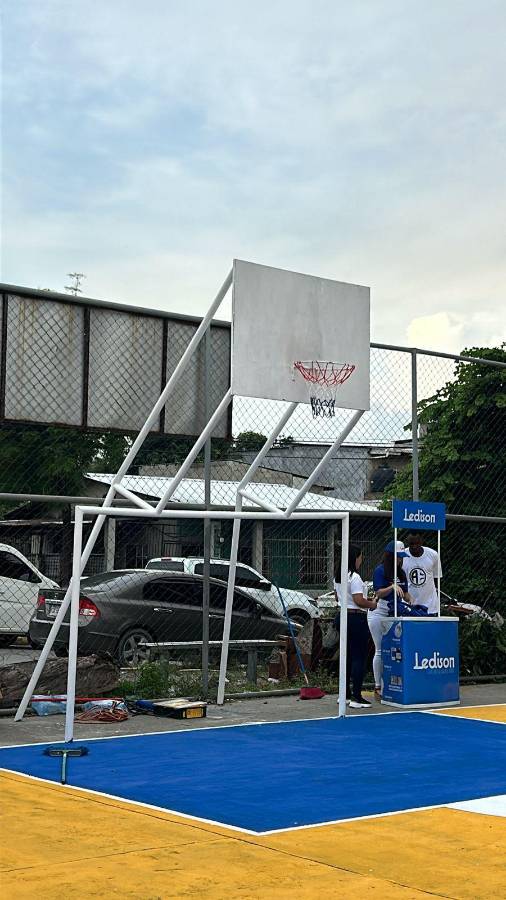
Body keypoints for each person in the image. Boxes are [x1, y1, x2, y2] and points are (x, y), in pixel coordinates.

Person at [335, 544, 377, 708]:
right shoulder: (355, 577)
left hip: (342, 616)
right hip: (355, 618)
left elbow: (337, 597)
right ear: (355, 558)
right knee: (359, 657)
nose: (362, 559)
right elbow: (359, 600)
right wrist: (372, 604)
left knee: (346, 656)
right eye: (360, 556)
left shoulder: (338, 576)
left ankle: (344, 694)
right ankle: (356, 697)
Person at [368, 540, 412, 700]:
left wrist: (409, 598)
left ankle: (394, 684)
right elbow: (379, 593)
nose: (400, 560)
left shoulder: (401, 573)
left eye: (402, 557)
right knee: (380, 649)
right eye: (398, 557)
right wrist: (391, 587)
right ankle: (378, 686)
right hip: (379, 612)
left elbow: (405, 592)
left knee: (396, 650)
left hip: (395, 612)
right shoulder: (380, 571)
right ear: (390, 556)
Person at [402, 532, 442, 616]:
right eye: (411, 544)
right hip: (408, 606)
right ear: (407, 543)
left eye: (417, 543)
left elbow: (437, 579)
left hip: (430, 607)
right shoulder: (402, 556)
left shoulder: (433, 555)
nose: (414, 546)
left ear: (421, 542)